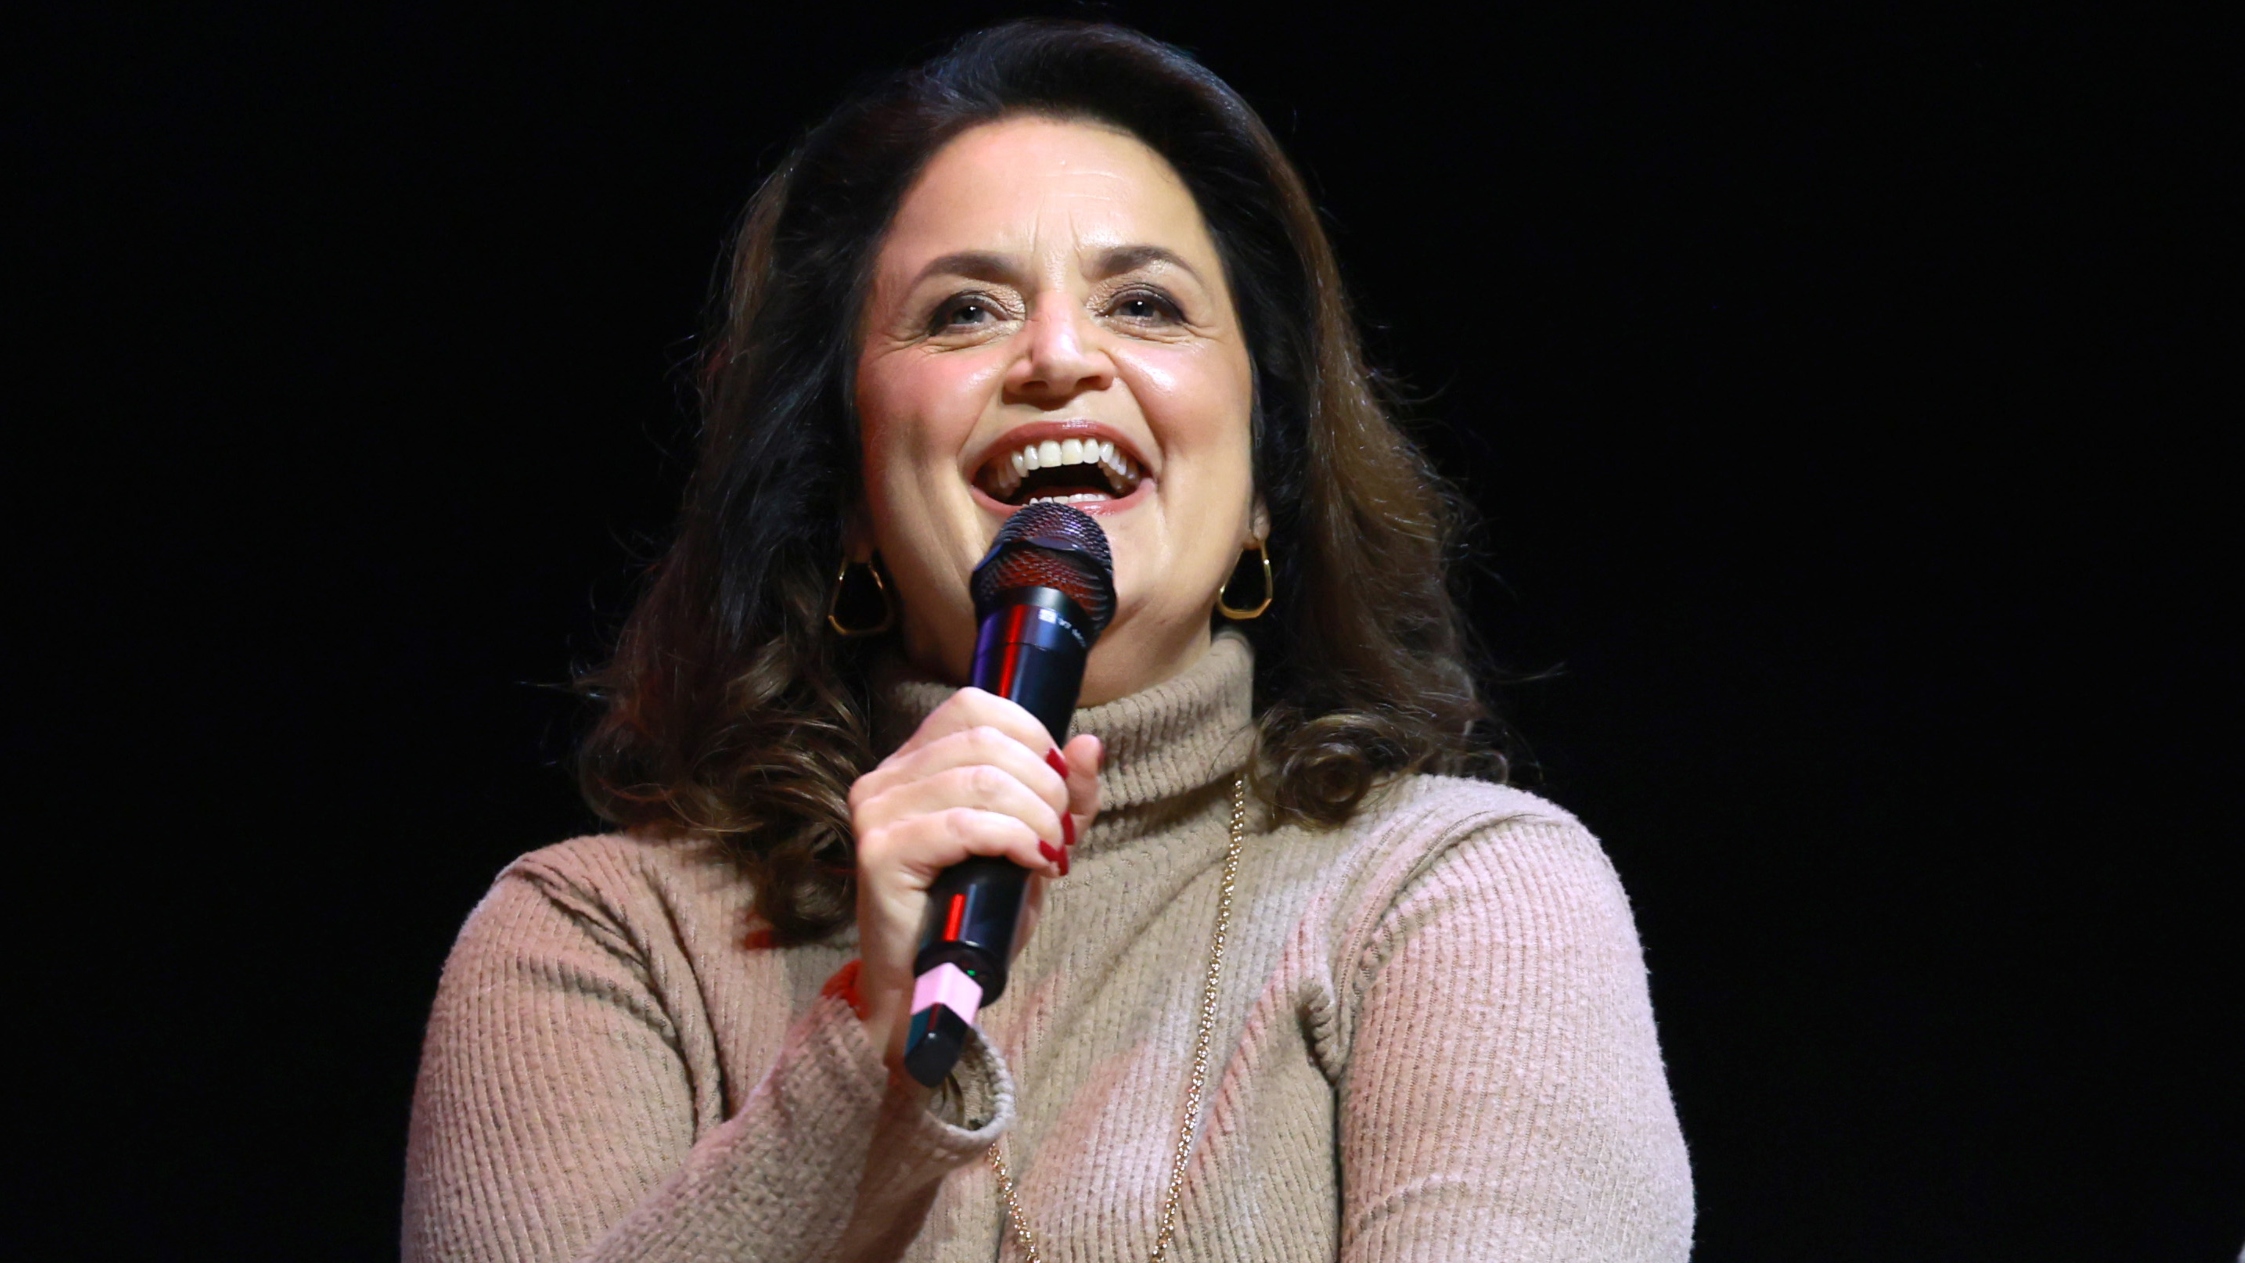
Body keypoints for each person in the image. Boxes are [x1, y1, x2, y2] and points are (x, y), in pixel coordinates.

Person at [404, 20, 1692, 1262]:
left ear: (1260, 487)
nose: (1060, 356)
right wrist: (880, 1045)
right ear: (848, 492)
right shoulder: (599, 942)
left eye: (1143, 303)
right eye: (964, 311)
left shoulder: (1459, 898)